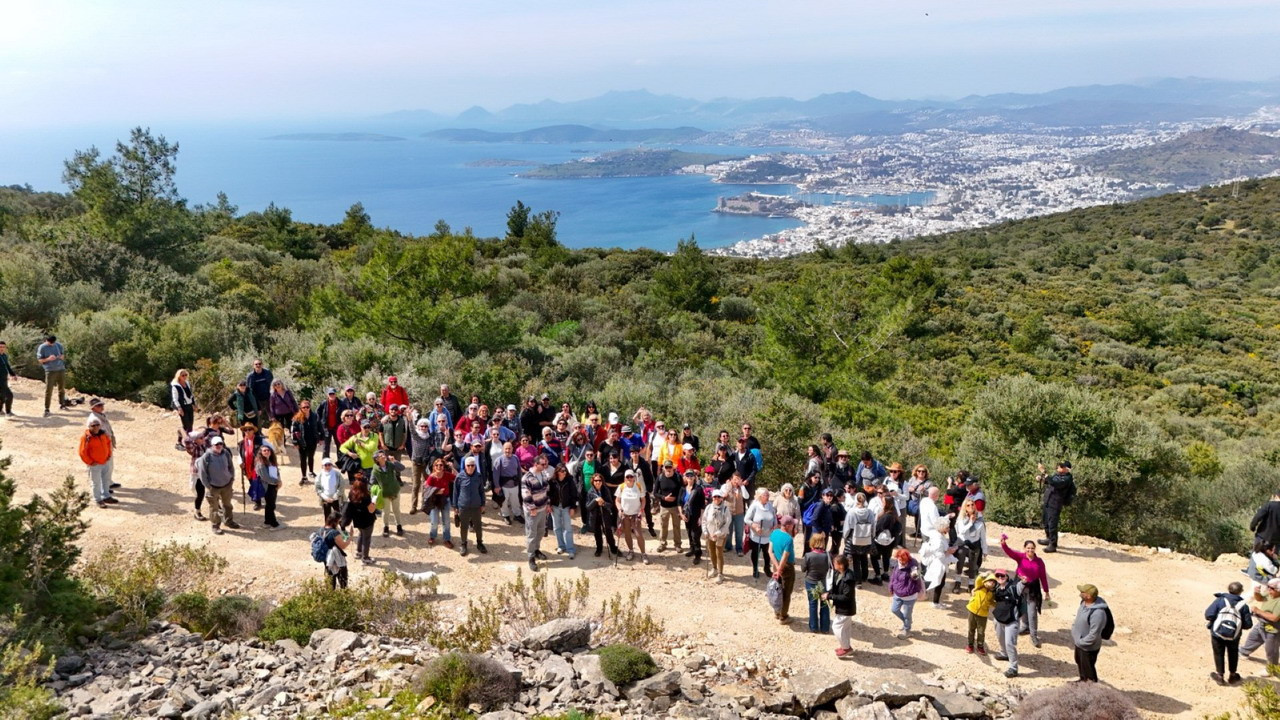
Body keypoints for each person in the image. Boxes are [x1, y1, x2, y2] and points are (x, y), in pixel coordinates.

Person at [1000, 534, 1051, 647]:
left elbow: (1043, 577)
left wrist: (1046, 592)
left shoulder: (1039, 562)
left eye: (1032, 548)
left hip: (1033, 588)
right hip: (1020, 585)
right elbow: (1009, 552)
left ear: (1035, 549)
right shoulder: (1020, 557)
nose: (1030, 550)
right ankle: (1025, 627)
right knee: (1021, 607)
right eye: (1028, 548)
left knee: (1032, 612)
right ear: (1024, 549)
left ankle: (1034, 635)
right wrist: (1003, 543)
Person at [1206, 580, 1252, 685]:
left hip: (1217, 633)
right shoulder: (1243, 606)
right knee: (1233, 653)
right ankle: (1232, 675)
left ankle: (1219, 676)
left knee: (1218, 653)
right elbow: (1248, 625)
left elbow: (1208, 614)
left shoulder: (1220, 600)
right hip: (1234, 636)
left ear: (1228, 589)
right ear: (1241, 591)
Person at [197, 436, 239, 534]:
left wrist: (231, 478)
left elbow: (231, 467)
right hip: (213, 487)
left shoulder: (226, 453)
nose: (219, 446)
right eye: (217, 444)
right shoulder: (206, 457)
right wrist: (208, 486)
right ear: (212, 445)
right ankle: (215, 525)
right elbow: (202, 474)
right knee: (214, 507)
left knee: (227, 505)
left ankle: (229, 521)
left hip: (227, 485)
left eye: (221, 444)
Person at [1071, 583, 1110, 682]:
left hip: (1088, 647)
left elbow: (1094, 634)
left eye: (1082, 592)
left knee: (1089, 672)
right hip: (1080, 643)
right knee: (1080, 664)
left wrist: (1081, 642)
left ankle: (1091, 691)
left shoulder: (1098, 613)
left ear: (1088, 596)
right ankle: (1082, 681)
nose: (1080, 593)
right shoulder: (1083, 603)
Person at [522, 454, 553, 572]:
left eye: (546, 464)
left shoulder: (543, 475)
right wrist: (532, 508)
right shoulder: (527, 478)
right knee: (531, 534)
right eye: (543, 464)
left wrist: (548, 504)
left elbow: (546, 491)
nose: (546, 466)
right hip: (533, 511)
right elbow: (526, 494)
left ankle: (536, 549)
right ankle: (531, 557)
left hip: (543, 509)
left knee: (540, 531)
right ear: (536, 464)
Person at [452, 455, 488, 557]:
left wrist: (483, 504)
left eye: (472, 465)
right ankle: (464, 544)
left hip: (476, 506)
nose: (471, 467)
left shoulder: (479, 476)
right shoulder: (459, 477)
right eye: (468, 465)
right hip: (463, 506)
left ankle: (480, 543)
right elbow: (455, 492)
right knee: (464, 527)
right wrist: (455, 507)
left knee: (478, 526)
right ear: (465, 466)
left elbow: (481, 491)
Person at [991, 568, 1023, 677]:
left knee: (1010, 643)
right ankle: (1004, 654)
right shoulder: (995, 587)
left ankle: (1013, 668)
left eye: (1002, 576)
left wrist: (1023, 582)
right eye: (998, 576)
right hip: (998, 618)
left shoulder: (1013, 588)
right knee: (1000, 638)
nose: (1000, 578)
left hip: (1012, 620)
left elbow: (1020, 587)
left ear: (1007, 577)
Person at [1038, 461, 1075, 552]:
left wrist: (1043, 471)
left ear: (1067, 469)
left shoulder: (1067, 478)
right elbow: (1050, 481)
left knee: (1052, 523)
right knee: (1046, 520)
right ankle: (1048, 538)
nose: (1058, 467)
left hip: (1055, 503)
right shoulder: (1058, 475)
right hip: (1048, 500)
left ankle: (1053, 545)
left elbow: (1056, 483)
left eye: (1061, 466)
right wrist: (1042, 479)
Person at [340, 475, 378, 564]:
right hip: (367, 520)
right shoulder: (366, 496)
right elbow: (371, 510)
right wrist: (374, 502)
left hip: (357, 520)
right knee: (367, 538)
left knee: (361, 534)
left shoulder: (351, 493)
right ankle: (365, 557)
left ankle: (359, 552)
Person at [79, 416, 115, 507]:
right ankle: (98, 499)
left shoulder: (103, 434)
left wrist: (108, 455)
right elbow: (82, 452)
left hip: (105, 462)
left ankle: (106, 496)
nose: (95, 427)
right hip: (95, 464)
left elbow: (108, 443)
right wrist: (90, 462)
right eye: (93, 425)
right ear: (89, 426)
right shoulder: (86, 438)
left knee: (106, 480)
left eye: (97, 425)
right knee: (96, 482)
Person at [953, 498, 988, 593]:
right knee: (960, 560)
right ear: (965, 507)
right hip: (963, 544)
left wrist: (985, 550)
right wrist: (970, 523)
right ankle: (957, 582)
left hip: (974, 545)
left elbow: (983, 537)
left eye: (972, 504)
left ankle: (971, 584)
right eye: (968, 505)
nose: (971, 507)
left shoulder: (980, 521)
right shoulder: (961, 519)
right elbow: (961, 531)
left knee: (973, 565)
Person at [920, 518, 956, 608]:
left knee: (937, 581)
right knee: (939, 582)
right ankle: (935, 602)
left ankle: (932, 600)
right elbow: (939, 555)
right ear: (942, 527)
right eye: (947, 527)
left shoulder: (936, 535)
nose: (948, 529)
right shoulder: (938, 539)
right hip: (937, 563)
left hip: (937, 562)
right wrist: (949, 552)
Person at [616, 470, 650, 564]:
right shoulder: (621, 487)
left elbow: (643, 500)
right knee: (627, 534)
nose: (630, 479)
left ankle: (643, 553)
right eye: (628, 477)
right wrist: (620, 509)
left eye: (631, 477)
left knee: (638, 534)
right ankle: (631, 551)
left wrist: (641, 510)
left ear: (634, 477)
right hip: (625, 514)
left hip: (635, 514)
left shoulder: (639, 486)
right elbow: (617, 500)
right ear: (625, 478)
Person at [888, 547, 923, 638]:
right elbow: (893, 577)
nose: (901, 562)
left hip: (909, 596)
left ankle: (907, 630)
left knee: (907, 614)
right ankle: (907, 622)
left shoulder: (913, 566)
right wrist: (891, 587)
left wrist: (915, 575)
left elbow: (916, 578)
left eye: (903, 561)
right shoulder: (897, 565)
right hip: (898, 594)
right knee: (894, 609)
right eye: (899, 560)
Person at [770, 516, 799, 624]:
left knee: (777, 590)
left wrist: (776, 568)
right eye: (792, 525)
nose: (793, 526)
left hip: (775, 564)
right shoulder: (788, 538)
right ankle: (783, 616)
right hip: (786, 567)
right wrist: (780, 569)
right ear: (787, 526)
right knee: (786, 592)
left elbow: (770, 551)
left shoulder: (774, 533)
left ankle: (777, 612)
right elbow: (785, 556)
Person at [371, 450, 406, 537]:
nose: (383, 456)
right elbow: (372, 483)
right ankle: (386, 526)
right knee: (386, 511)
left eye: (383, 454)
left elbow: (402, 468)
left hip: (395, 491)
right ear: (377, 459)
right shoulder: (375, 470)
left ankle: (399, 526)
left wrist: (394, 461)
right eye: (381, 455)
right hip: (385, 494)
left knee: (396, 510)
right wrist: (377, 491)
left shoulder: (390, 464)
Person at [422, 457, 456, 548]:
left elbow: (458, 477)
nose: (439, 467)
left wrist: (452, 468)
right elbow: (426, 490)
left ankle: (447, 539)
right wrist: (436, 491)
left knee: (447, 521)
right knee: (434, 521)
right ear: (434, 467)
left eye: (441, 465)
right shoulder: (431, 477)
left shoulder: (446, 475)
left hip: (445, 500)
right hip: (434, 501)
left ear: (444, 466)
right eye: (437, 465)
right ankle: (432, 536)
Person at [802, 533, 832, 634]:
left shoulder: (808, 555)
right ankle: (825, 628)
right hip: (823, 583)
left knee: (812, 604)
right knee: (824, 604)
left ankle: (814, 627)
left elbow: (803, 569)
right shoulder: (827, 555)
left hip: (811, 582)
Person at [87, 398, 120, 491]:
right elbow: (95, 434)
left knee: (109, 465)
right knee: (104, 466)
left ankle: (108, 482)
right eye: (98, 406)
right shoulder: (94, 419)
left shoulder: (100, 415)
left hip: (106, 443)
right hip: (101, 445)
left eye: (101, 405)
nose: (101, 407)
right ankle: (104, 487)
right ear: (93, 408)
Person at [745, 488, 778, 579]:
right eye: (765, 495)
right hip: (756, 536)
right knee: (755, 553)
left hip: (768, 536)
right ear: (760, 496)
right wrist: (755, 526)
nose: (767, 497)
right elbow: (746, 519)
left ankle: (767, 568)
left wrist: (775, 525)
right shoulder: (754, 506)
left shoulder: (770, 505)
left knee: (768, 553)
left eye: (768, 495)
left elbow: (774, 516)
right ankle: (755, 569)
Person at [843, 492, 874, 586]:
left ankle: (858, 581)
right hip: (867, 537)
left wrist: (845, 536)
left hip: (854, 538)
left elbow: (847, 526)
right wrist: (872, 536)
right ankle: (865, 576)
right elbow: (873, 526)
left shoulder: (852, 512)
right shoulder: (869, 512)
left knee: (856, 559)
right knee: (864, 557)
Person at [548, 462, 578, 559]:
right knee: (557, 527)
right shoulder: (552, 481)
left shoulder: (570, 480)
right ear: (557, 472)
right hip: (555, 507)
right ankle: (561, 546)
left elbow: (574, 494)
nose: (564, 472)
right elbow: (548, 494)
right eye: (562, 471)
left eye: (565, 470)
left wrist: (573, 507)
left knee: (568, 528)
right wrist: (549, 504)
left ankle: (570, 549)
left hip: (566, 507)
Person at [586, 473, 620, 557]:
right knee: (597, 533)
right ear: (593, 482)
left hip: (605, 515)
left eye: (599, 480)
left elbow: (610, 504)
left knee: (608, 532)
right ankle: (599, 548)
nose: (598, 482)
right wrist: (595, 501)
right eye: (596, 480)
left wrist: (603, 503)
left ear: (602, 481)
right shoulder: (590, 492)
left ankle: (613, 547)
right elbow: (587, 507)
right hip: (595, 516)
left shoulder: (606, 490)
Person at [702, 487, 732, 582]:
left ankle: (720, 573)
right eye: (715, 497)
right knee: (711, 551)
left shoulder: (725, 509)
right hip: (710, 534)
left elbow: (727, 523)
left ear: (722, 498)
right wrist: (705, 532)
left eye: (719, 497)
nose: (717, 498)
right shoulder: (708, 507)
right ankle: (714, 568)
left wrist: (718, 533)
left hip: (720, 535)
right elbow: (704, 520)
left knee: (719, 553)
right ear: (712, 497)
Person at [239, 423, 270, 511]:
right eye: (245, 430)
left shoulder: (260, 440)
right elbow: (240, 455)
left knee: (263, 484)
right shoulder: (241, 443)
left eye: (249, 429)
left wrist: (265, 457)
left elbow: (271, 448)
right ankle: (257, 502)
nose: (247, 431)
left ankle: (268, 501)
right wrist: (240, 462)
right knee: (253, 484)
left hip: (259, 468)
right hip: (248, 469)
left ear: (253, 431)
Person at [871, 498, 902, 585]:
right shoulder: (894, 514)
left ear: (887, 504)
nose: (882, 502)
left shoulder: (887, 516)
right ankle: (885, 574)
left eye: (883, 501)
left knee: (874, 557)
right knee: (886, 557)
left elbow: (878, 527)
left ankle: (878, 576)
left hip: (880, 541)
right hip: (890, 541)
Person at [655, 462, 684, 553]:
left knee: (676, 526)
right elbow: (655, 493)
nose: (668, 469)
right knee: (664, 526)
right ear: (663, 468)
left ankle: (678, 545)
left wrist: (679, 503)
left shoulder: (678, 477)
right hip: (664, 507)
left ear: (673, 468)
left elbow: (682, 491)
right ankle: (662, 544)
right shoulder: (660, 478)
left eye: (669, 467)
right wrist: (664, 498)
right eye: (666, 467)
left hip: (675, 506)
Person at [292, 399, 323, 485]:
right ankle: (304, 476)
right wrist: (295, 442)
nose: (306, 409)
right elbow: (294, 431)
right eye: (304, 407)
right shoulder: (297, 418)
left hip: (313, 440)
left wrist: (321, 438)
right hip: (302, 442)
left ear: (310, 407)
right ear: (300, 408)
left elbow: (320, 427)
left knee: (311, 457)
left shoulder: (315, 416)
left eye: (307, 407)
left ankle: (311, 471)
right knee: (303, 459)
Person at [680, 469, 707, 566]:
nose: (690, 478)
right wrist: (682, 514)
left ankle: (698, 554)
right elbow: (680, 503)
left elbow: (702, 505)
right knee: (688, 533)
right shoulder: (683, 489)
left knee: (695, 535)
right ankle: (692, 549)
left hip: (696, 515)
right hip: (687, 515)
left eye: (691, 476)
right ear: (685, 477)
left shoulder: (698, 489)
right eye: (688, 476)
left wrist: (701, 517)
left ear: (694, 477)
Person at [966, 573, 997, 655]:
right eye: (990, 581)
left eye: (994, 583)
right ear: (985, 581)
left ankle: (980, 646)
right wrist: (985, 574)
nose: (992, 583)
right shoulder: (979, 586)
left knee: (981, 632)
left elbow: (992, 602)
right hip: (972, 610)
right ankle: (970, 645)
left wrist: (999, 605)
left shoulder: (992, 593)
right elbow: (978, 579)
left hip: (983, 614)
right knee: (971, 629)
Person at [36, 335, 67, 416]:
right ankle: (47, 409)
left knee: (62, 388)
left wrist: (61, 357)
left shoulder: (59, 345)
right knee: (49, 390)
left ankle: (62, 404)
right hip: (50, 370)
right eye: (50, 343)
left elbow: (63, 356)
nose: (52, 344)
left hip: (61, 369)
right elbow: (40, 360)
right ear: (46, 340)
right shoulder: (42, 347)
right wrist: (48, 359)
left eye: (53, 343)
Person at [253, 444, 283, 528]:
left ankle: (267, 522)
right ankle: (274, 524)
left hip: (273, 485)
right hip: (267, 486)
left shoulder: (270, 460)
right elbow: (265, 478)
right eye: (264, 450)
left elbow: (276, 472)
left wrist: (278, 481)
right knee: (271, 505)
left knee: (270, 504)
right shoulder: (260, 464)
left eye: (268, 450)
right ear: (261, 452)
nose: (266, 452)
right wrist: (277, 482)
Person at [318, 515, 351, 589]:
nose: (339, 523)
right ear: (335, 521)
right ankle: (343, 597)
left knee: (330, 580)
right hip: (337, 560)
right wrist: (351, 537)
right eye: (339, 521)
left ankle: (331, 596)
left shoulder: (321, 530)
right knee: (343, 581)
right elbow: (343, 545)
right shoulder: (334, 533)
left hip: (327, 558)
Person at [721, 472, 749, 556]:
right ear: (731, 479)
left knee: (739, 531)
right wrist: (728, 488)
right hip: (728, 512)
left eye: (738, 479)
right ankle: (728, 546)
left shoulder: (741, 488)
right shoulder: (725, 486)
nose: (736, 481)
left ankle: (739, 548)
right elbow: (722, 495)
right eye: (734, 479)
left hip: (739, 513)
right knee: (728, 530)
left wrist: (742, 486)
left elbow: (746, 496)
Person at [905, 465, 935, 538]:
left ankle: (920, 532)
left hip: (923, 502)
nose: (921, 473)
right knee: (917, 514)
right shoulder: (912, 479)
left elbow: (931, 494)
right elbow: (906, 487)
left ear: (925, 473)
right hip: (912, 501)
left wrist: (924, 491)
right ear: (916, 472)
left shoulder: (929, 483)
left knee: (920, 515)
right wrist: (909, 488)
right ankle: (918, 531)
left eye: (923, 471)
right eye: (919, 471)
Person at [316, 457, 344, 521]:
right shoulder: (320, 475)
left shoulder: (337, 474)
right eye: (326, 465)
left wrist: (335, 496)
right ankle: (328, 529)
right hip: (326, 499)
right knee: (327, 515)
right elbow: (318, 488)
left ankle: (342, 529)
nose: (328, 466)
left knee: (339, 515)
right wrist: (325, 497)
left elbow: (341, 485)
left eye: (329, 464)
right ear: (322, 466)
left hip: (336, 498)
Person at [317, 388, 343, 458]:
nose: (332, 395)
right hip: (326, 427)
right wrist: (320, 422)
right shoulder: (324, 403)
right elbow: (318, 412)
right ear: (327, 395)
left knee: (339, 444)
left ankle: (340, 461)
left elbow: (345, 412)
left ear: (335, 394)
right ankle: (326, 461)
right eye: (330, 394)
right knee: (326, 445)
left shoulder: (341, 403)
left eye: (333, 394)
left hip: (337, 427)